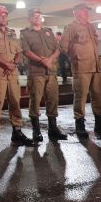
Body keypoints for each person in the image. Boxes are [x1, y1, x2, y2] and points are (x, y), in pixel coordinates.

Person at [60, 3, 101, 138]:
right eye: (84, 10)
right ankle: (79, 124)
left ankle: (100, 123)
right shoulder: (71, 27)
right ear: (76, 12)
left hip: (95, 66)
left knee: (98, 95)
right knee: (80, 96)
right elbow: (63, 47)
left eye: (87, 11)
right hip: (81, 67)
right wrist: (76, 56)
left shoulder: (90, 26)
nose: (87, 13)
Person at [0, 5, 34, 148]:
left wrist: (14, 64)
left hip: (12, 73)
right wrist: (6, 64)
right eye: (1, 15)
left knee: (15, 102)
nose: (4, 17)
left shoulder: (12, 33)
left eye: (5, 15)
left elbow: (18, 52)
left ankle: (17, 132)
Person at [20, 8, 67, 142]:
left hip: (51, 72)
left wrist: (50, 60)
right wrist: (42, 61)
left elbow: (58, 49)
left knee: (53, 99)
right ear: (29, 19)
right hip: (36, 72)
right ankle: (36, 130)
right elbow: (26, 51)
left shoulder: (48, 32)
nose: (38, 18)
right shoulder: (25, 33)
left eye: (39, 15)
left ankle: (53, 129)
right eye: (34, 16)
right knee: (35, 100)